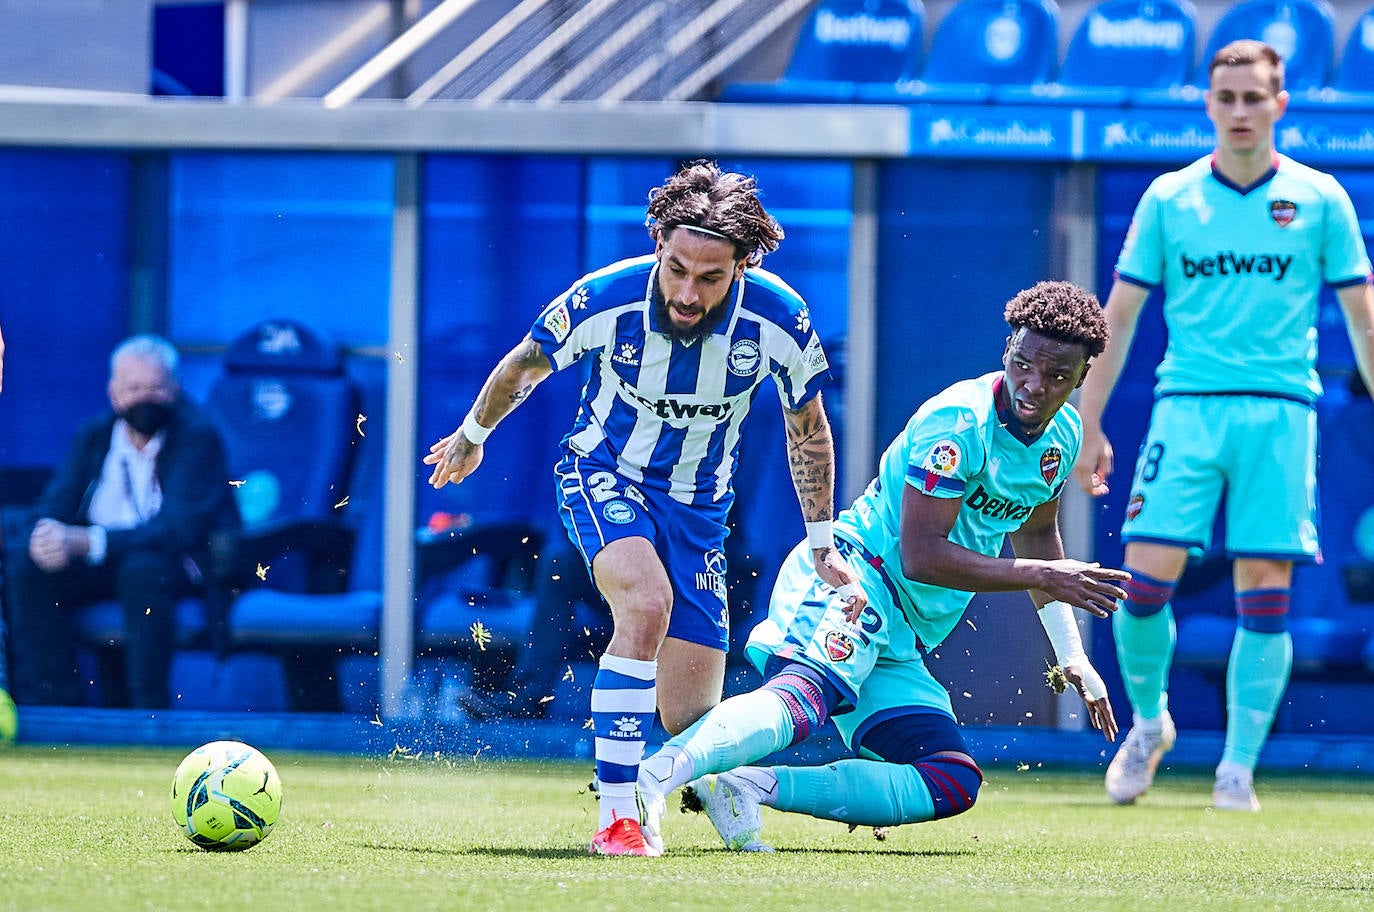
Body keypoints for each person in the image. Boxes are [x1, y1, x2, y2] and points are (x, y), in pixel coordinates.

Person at [425, 160, 864, 856]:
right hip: (603, 473)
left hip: (700, 509)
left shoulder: (780, 317)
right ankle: (618, 815)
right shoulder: (605, 299)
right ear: (659, 243)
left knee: (689, 709)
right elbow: (524, 364)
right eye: (678, 267)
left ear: (743, 266)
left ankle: (722, 785)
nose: (688, 291)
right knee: (646, 604)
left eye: (711, 276)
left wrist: (821, 539)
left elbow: (807, 425)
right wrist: (473, 436)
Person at [635, 281, 1127, 853]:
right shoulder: (958, 424)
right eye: (1023, 365)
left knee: (951, 777)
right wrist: (1043, 577)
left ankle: (746, 788)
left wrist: (1073, 657)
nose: (1034, 386)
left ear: (1082, 378)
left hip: (903, 633)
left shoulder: (1063, 436)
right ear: (1007, 352)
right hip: (854, 579)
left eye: (1057, 377)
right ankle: (651, 776)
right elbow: (923, 555)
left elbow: (1038, 535)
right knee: (804, 700)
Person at [1072, 41, 1374, 812]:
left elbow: (1363, 323)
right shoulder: (1171, 200)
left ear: (1281, 104)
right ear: (1208, 104)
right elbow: (1122, 317)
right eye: (1226, 97)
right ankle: (1149, 726)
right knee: (1140, 587)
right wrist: (1089, 421)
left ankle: (1237, 769)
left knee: (1263, 589)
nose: (1239, 110)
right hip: (1188, 408)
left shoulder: (1321, 199)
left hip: (1281, 413)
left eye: (1254, 97)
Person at [5, 334, 240, 709]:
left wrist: (87, 542)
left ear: (175, 389)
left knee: (142, 568)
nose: (144, 399)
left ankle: (146, 715)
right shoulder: (95, 434)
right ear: (113, 393)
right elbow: (55, 502)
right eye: (133, 388)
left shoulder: (198, 436)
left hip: (175, 564)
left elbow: (179, 530)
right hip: (101, 562)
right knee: (28, 568)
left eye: (155, 388)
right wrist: (44, 536)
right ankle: (54, 709)